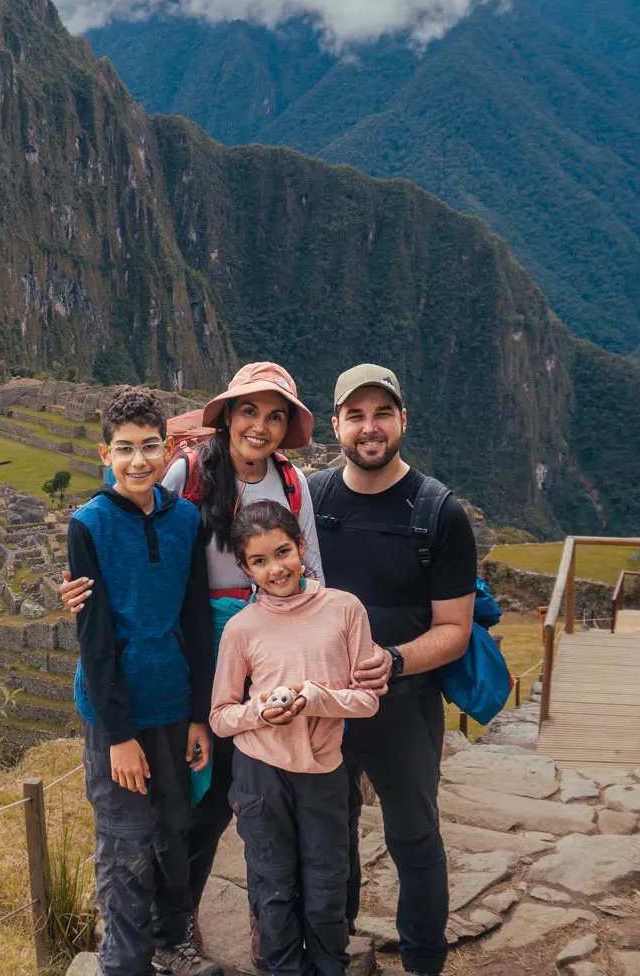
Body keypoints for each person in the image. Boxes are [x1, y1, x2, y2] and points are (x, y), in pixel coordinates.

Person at [63, 362, 326, 922]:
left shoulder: (291, 484)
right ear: (228, 415)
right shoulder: (187, 473)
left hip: (269, 641)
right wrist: (82, 584)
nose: (261, 426)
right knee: (197, 794)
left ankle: (215, 923)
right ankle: (168, 924)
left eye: (275, 416)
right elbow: (132, 516)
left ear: (286, 428)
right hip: (200, 647)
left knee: (240, 786)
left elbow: (315, 572)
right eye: (249, 410)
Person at [309, 364, 476, 976]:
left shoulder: (439, 513)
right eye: (356, 415)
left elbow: (455, 630)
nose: (369, 427)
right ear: (336, 426)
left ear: (403, 419)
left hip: (403, 706)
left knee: (414, 837)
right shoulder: (313, 501)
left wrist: (397, 660)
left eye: (382, 413)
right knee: (329, 838)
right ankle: (336, 949)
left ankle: (423, 962)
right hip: (327, 703)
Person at [68, 387, 223, 976]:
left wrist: (198, 714)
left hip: (173, 704)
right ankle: (124, 961)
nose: (138, 461)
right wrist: (119, 735)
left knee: (174, 831)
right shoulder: (89, 525)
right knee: (125, 843)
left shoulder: (185, 519)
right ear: (104, 453)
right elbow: (96, 638)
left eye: (149, 447)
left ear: (167, 450)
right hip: (120, 714)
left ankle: (171, 943)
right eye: (125, 448)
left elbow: (193, 619)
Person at [209, 500, 382, 976]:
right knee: (273, 882)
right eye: (259, 561)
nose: (276, 569)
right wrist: (262, 712)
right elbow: (222, 716)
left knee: (328, 882)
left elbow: (367, 701)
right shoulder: (242, 628)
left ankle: (330, 966)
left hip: (324, 767)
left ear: (301, 546)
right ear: (245, 568)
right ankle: (282, 968)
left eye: (283, 553)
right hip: (259, 772)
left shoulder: (344, 610)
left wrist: (313, 697)